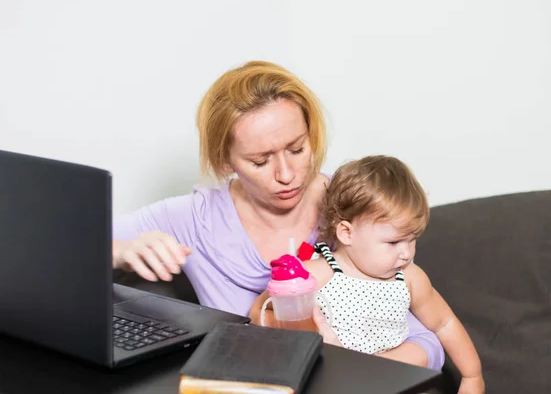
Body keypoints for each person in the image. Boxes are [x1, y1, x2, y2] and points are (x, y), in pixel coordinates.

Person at [111, 60, 444, 370]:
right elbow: (68, 242)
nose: (287, 174)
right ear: (226, 161)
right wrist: (122, 252)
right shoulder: (195, 218)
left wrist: (353, 372)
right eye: (260, 160)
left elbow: (428, 343)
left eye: (297, 149)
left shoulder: (350, 208)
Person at [252, 155, 484, 393]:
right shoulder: (316, 274)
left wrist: (472, 375)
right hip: (331, 382)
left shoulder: (410, 277)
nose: (406, 253)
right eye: (393, 242)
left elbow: (444, 323)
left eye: (412, 239)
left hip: (394, 384)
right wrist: (290, 325)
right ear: (346, 233)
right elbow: (259, 310)